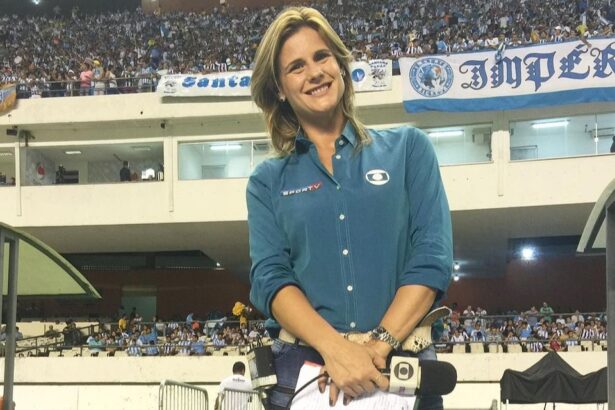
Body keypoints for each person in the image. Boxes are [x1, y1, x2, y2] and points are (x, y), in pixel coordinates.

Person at [247, 7, 452, 410]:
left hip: (400, 366)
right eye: (297, 66)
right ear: (280, 90)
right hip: (302, 374)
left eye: (322, 57)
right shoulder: (266, 181)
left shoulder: (409, 150)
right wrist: (336, 350)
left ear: (342, 65)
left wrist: (375, 349)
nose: (315, 72)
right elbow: (271, 280)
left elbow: (431, 258)